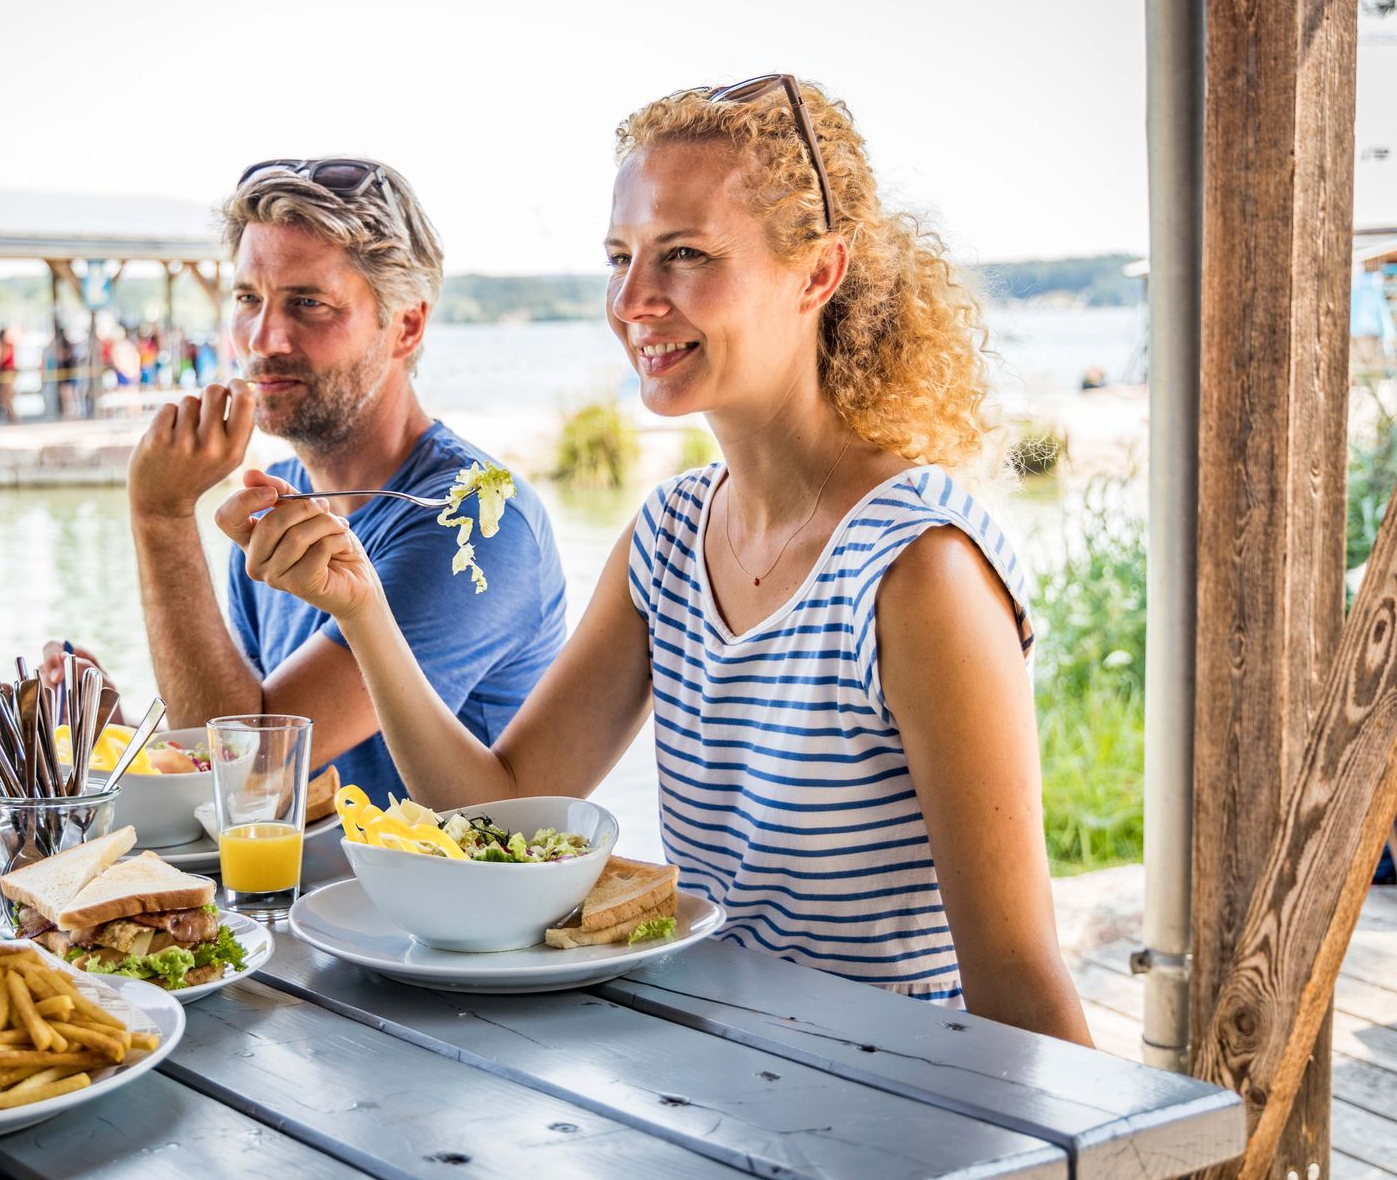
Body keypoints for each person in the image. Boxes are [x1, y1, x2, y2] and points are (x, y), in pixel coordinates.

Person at [217, 82, 1091, 1043]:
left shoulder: (918, 571)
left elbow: (1018, 985)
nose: (633, 301)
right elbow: (502, 818)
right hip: (714, 1084)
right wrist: (363, 611)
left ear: (817, 274)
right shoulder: (669, 535)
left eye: (686, 255)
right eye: (619, 258)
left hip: (900, 1106)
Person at [125, 158, 568, 801]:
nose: (264, 338)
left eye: (308, 303)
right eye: (249, 298)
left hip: (433, 897)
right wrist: (113, 726)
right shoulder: (272, 496)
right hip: (303, 899)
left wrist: (161, 519)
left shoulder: (472, 522)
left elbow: (247, 770)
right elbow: (230, 723)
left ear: (407, 325)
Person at [0, 327, 19, 424]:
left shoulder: (6, 346)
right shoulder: (4, 346)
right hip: (5, 374)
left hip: (8, 373)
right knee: (3, 396)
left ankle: (13, 417)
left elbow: (2, 358)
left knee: (6, 395)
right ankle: (10, 416)